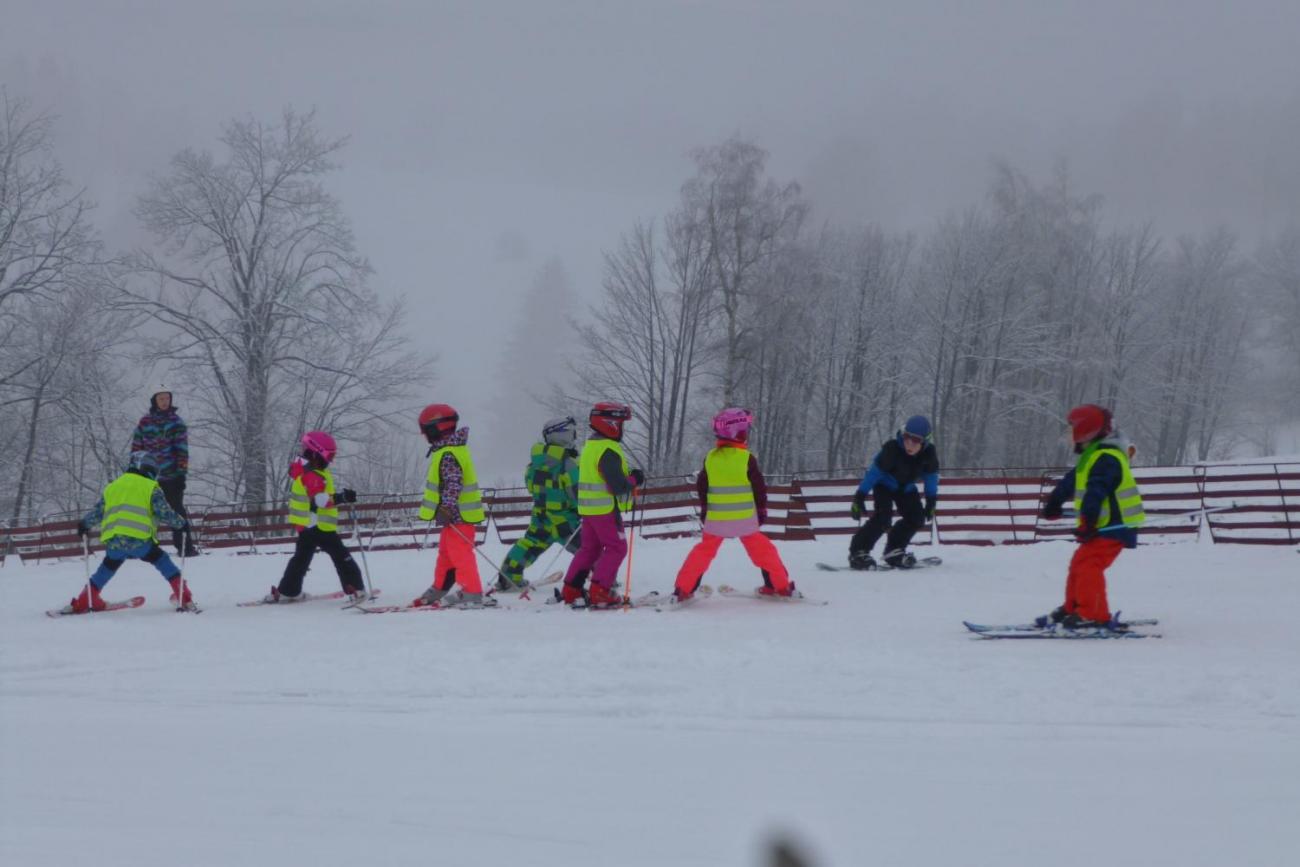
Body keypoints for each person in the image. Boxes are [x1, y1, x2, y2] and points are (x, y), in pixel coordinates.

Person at [1037, 404, 1144, 629]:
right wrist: (1054, 503)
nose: (1068, 436)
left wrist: (1088, 521)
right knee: (1079, 564)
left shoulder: (1107, 458)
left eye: (1071, 431)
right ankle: (1074, 607)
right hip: (1101, 525)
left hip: (1114, 525)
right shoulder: (1092, 456)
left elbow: (1097, 490)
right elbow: (1071, 481)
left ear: (1085, 431)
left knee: (1088, 565)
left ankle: (1093, 614)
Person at [673, 408, 795, 600]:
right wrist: (761, 510)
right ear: (737, 432)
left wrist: (705, 509)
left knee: (702, 554)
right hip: (745, 520)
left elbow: (702, 486)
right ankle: (780, 586)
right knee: (765, 552)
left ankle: (683, 589)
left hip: (716, 520)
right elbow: (759, 488)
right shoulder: (746, 458)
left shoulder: (711, 458)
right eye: (744, 430)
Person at [60, 452, 195, 613]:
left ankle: (84, 601)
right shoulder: (150, 487)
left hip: (115, 542)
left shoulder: (113, 486)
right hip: (141, 541)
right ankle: (183, 597)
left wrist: (84, 524)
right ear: (149, 468)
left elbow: (98, 512)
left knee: (106, 569)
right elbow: (164, 513)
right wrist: (181, 524)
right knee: (163, 561)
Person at [261, 431, 365, 603]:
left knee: (301, 559)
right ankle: (356, 588)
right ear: (317, 453)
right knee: (341, 556)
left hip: (307, 525)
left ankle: (289, 591)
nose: (331, 460)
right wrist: (342, 498)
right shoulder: (312, 474)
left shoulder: (306, 471)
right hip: (319, 526)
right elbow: (320, 501)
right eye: (329, 456)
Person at [560, 402, 645, 607]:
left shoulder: (591, 446)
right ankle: (601, 591)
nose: (621, 429)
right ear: (610, 424)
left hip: (589, 509)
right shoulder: (608, 450)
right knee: (617, 548)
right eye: (620, 424)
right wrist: (635, 479)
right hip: (604, 510)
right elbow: (617, 486)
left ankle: (571, 590)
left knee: (590, 549)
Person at [412, 404, 491, 607]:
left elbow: (454, 482)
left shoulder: (448, 453)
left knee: (460, 554)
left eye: (426, 431)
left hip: (460, 516)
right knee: (446, 554)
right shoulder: (448, 450)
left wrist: (446, 508)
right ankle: (439, 588)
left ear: (435, 428)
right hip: (454, 518)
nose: (425, 436)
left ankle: (472, 592)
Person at [494, 416, 582, 592]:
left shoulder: (535, 462)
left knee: (529, 545)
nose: (574, 438)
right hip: (566, 519)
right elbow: (577, 494)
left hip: (541, 516)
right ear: (562, 436)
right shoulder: (568, 464)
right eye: (572, 433)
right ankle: (602, 580)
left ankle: (508, 576)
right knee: (586, 548)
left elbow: (530, 485)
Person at [848, 415, 940, 569]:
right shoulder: (892, 449)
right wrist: (859, 496)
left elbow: (931, 479)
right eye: (907, 437)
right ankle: (858, 552)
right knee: (883, 519)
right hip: (884, 485)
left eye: (916, 440)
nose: (909, 443)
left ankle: (894, 550)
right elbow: (874, 474)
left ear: (925, 441)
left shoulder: (929, 455)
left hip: (906, 488)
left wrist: (931, 502)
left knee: (917, 518)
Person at [131, 388, 199, 557]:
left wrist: (181, 473)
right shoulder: (144, 423)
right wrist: (134, 471)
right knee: (144, 513)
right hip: (148, 477)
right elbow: (136, 448)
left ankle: (185, 547)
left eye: (167, 398)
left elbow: (182, 450)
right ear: (155, 400)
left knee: (176, 512)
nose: (164, 401)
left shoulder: (176, 422)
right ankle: (140, 547)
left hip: (171, 477)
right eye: (161, 398)